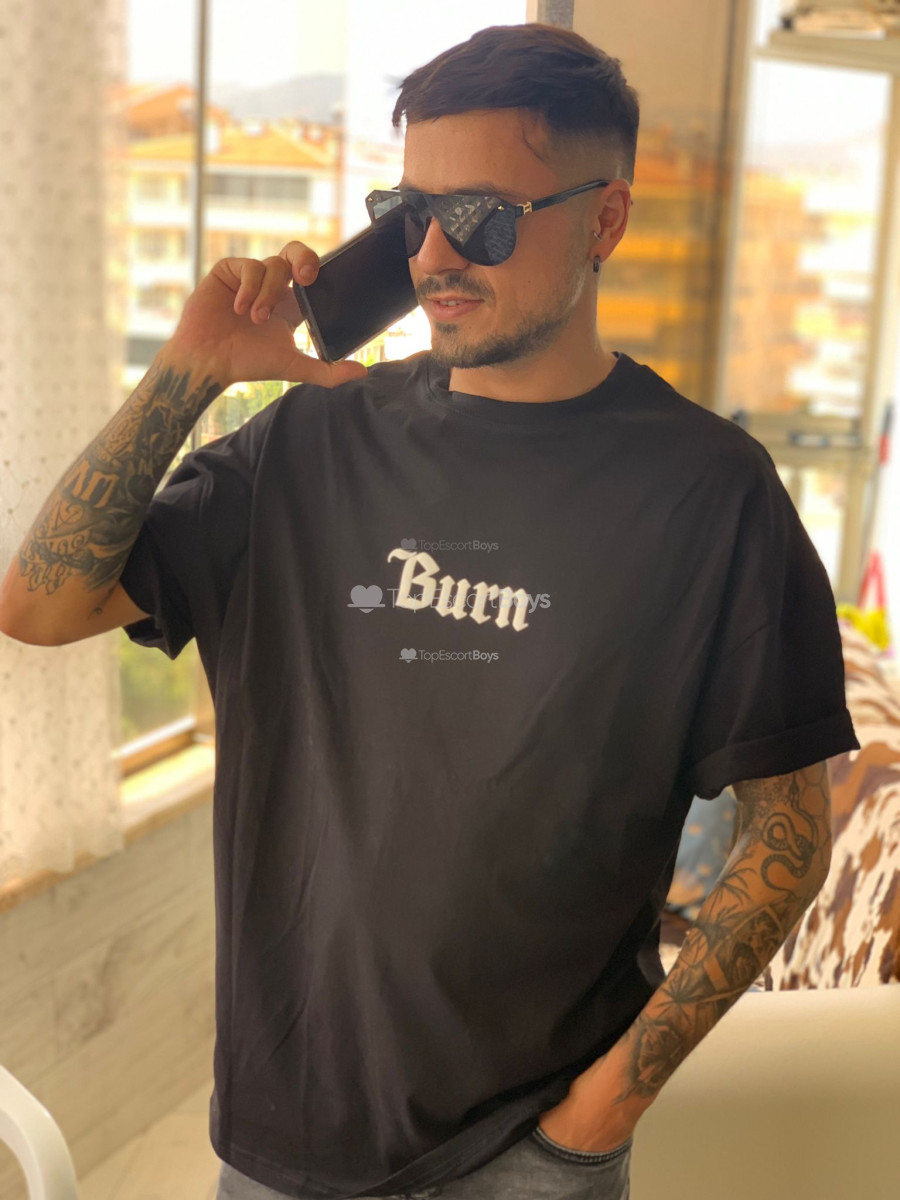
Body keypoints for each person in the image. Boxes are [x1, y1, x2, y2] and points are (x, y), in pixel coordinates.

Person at [0, 22, 860, 1200]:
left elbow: (788, 833)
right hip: (282, 1143)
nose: (436, 255)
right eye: (410, 213)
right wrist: (191, 367)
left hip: (531, 1156)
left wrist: (603, 1110)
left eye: (485, 218)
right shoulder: (306, 444)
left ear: (605, 220)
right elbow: (41, 605)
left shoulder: (714, 495)